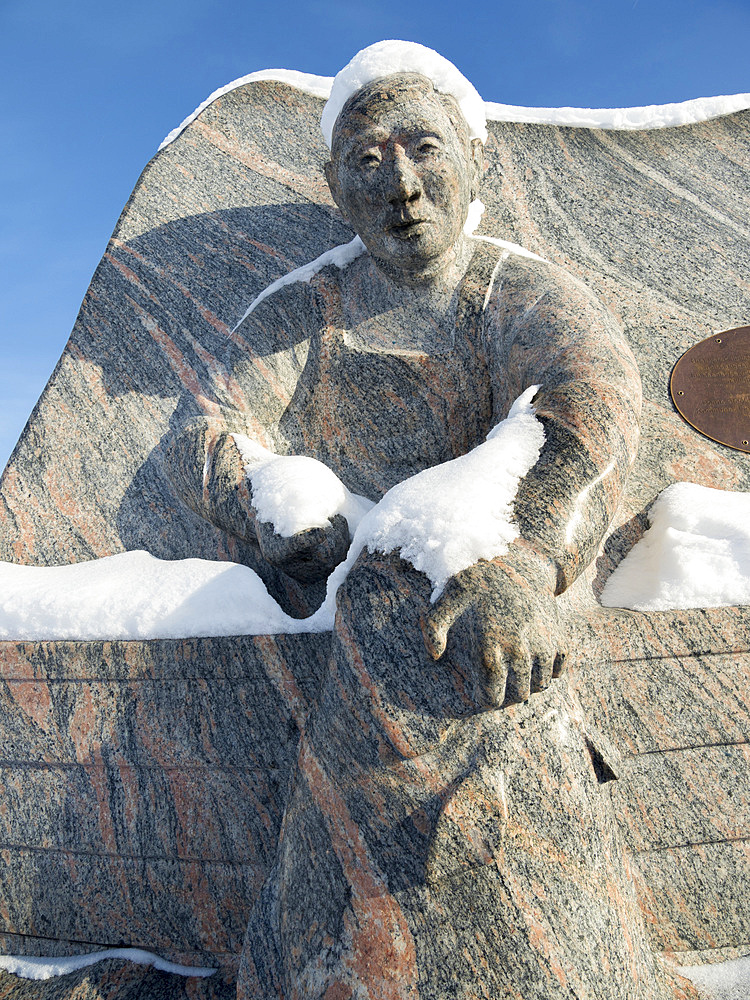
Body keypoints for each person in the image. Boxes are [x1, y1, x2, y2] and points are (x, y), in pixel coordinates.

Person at [168, 42, 673, 1000]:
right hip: (356, 615)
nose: (400, 184)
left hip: (482, 594)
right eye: (368, 161)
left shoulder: (517, 290)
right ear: (334, 186)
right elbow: (212, 424)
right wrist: (269, 501)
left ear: (473, 158)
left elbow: (590, 402)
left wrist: (524, 555)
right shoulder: (306, 309)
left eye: (423, 149)